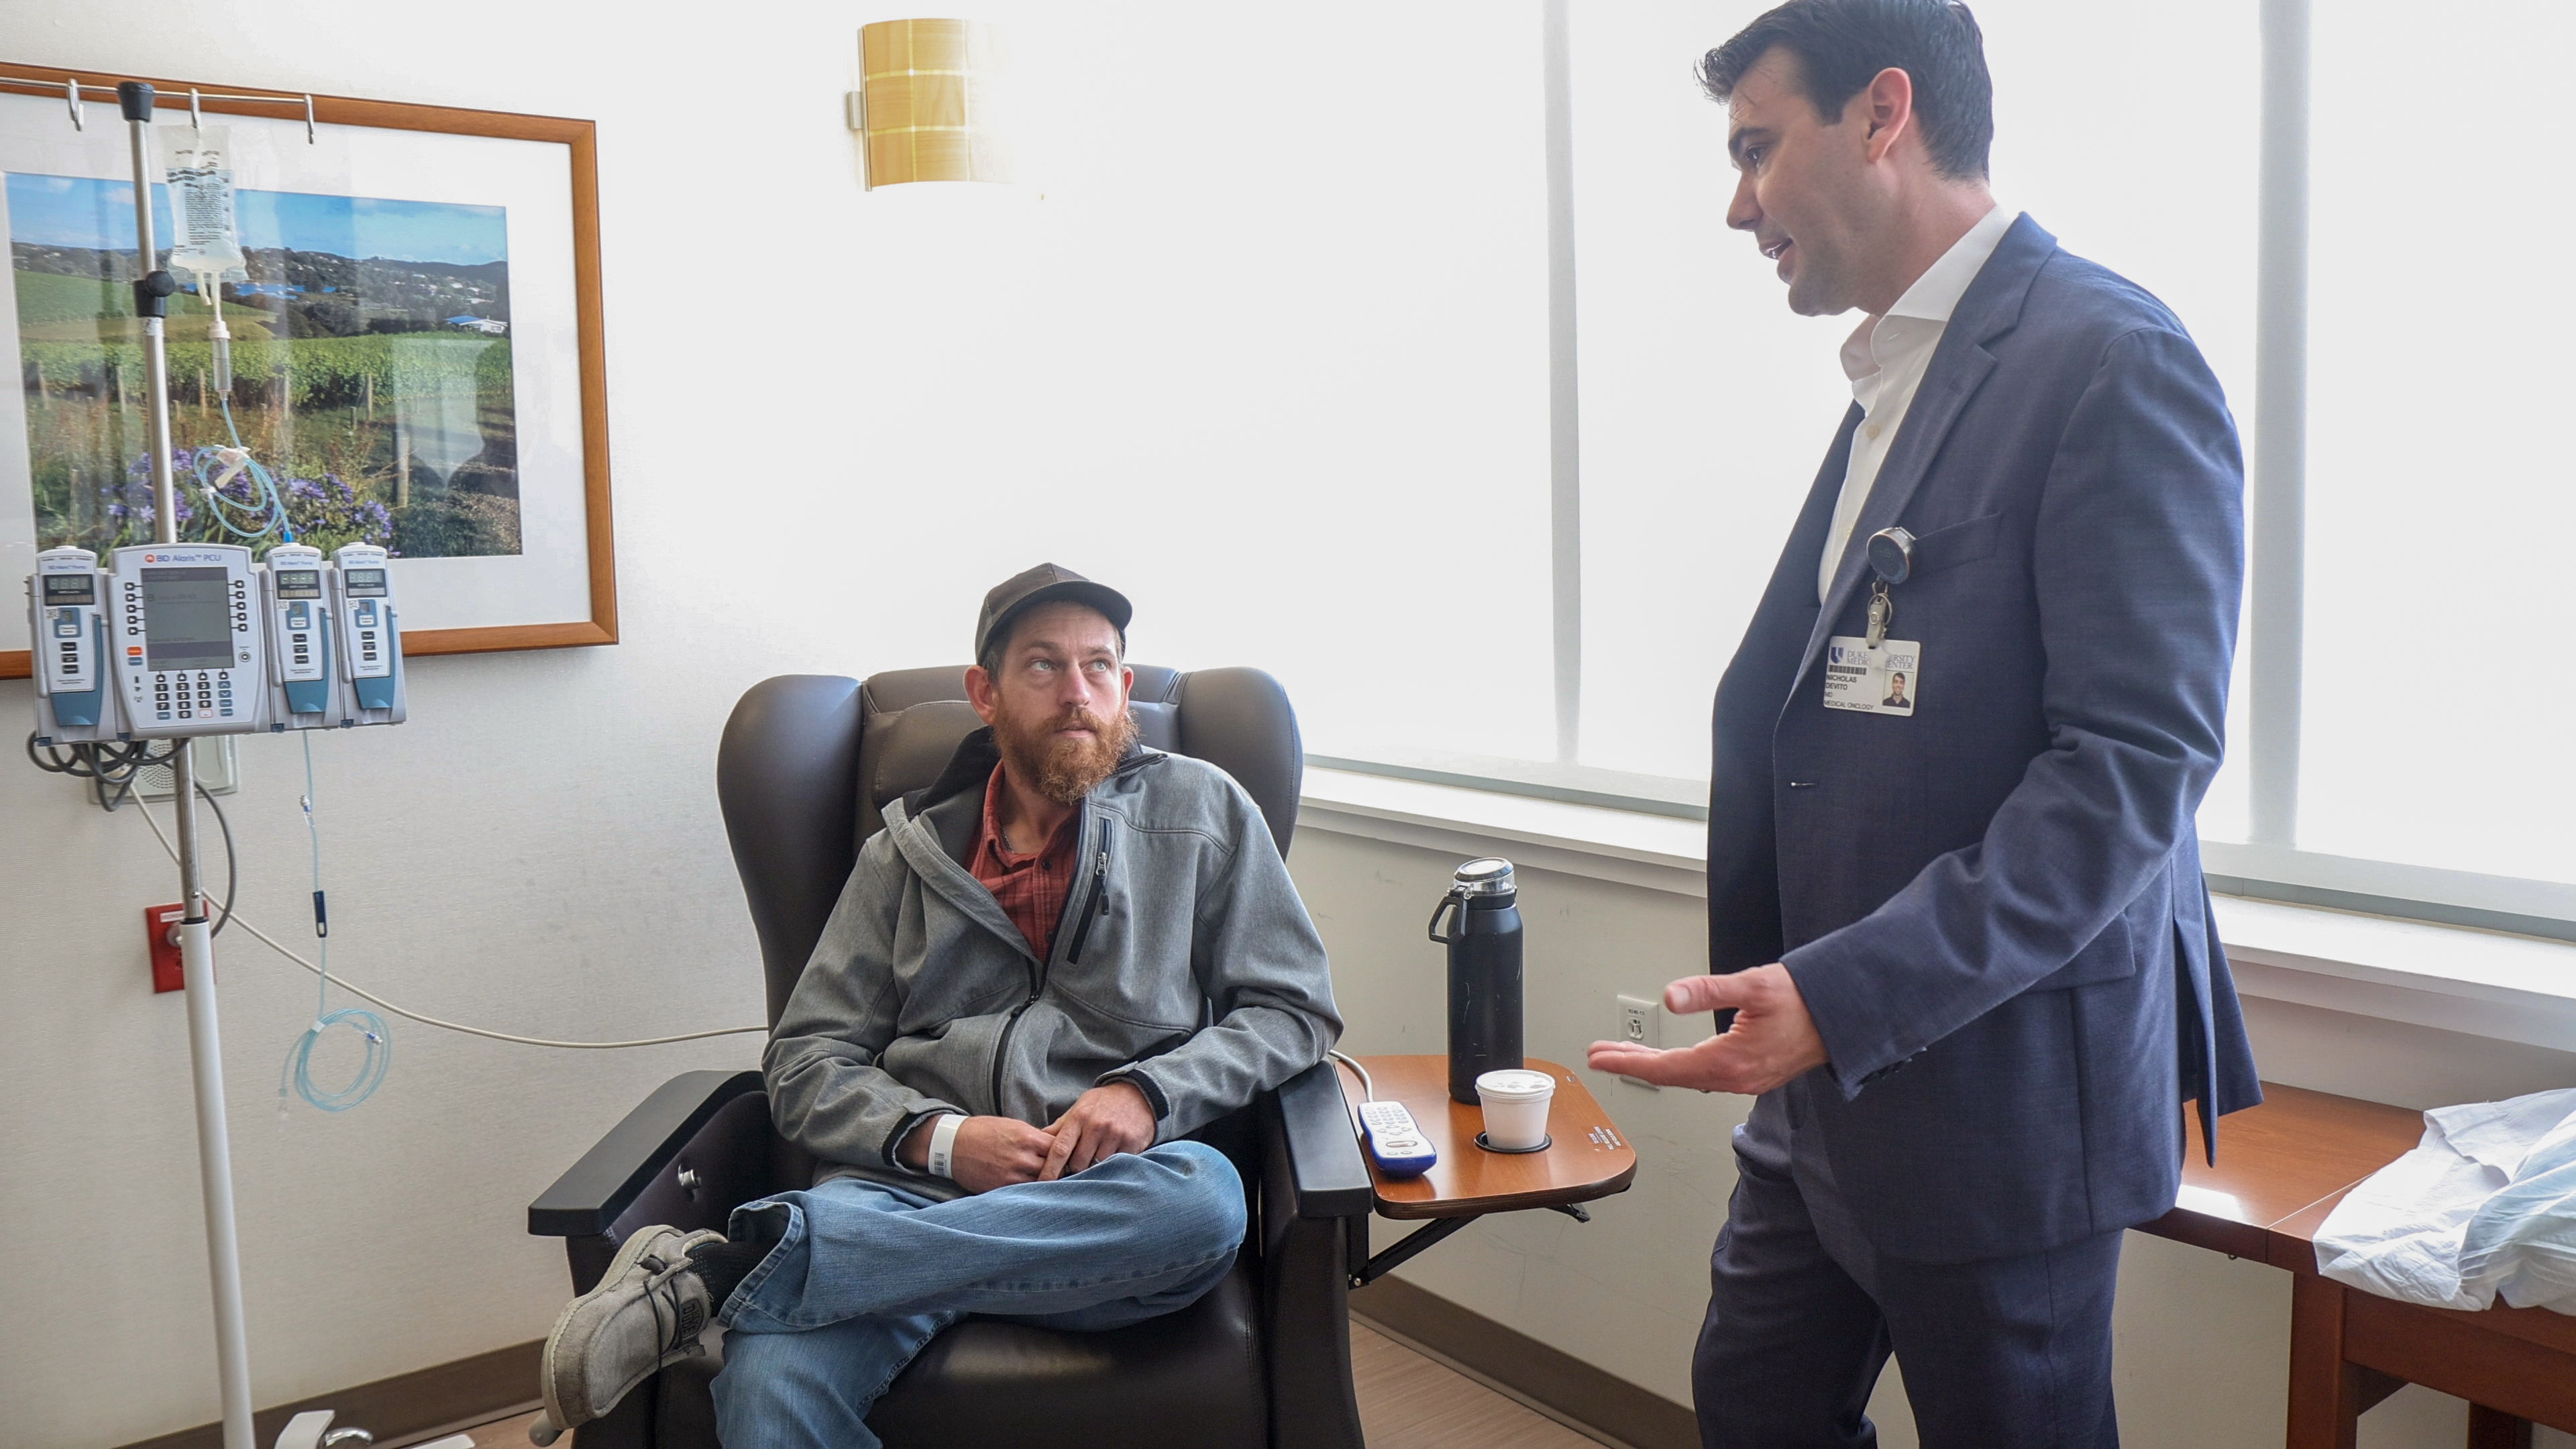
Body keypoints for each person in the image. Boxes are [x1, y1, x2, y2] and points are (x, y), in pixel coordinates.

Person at [1583, 3, 2259, 1445]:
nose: (1736, 203)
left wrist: (1844, 996)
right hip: (1830, 1086)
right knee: (1754, 1400)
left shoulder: (2110, 362)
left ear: (1883, 113)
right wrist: (1814, 1008)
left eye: (1758, 149)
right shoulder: (1901, 375)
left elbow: (2130, 776)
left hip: (1998, 1104)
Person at [531, 564, 1341, 1449]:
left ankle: (744, 1270)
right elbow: (805, 1063)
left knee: (1206, 1202)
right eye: (1043, 666)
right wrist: (944, 1141)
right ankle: (817, 1261)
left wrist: (1147, 1094)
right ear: (983, 693)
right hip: (895, 1195)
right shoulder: (900, 856)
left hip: (1105, 1201)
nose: (1080, 694)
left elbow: (1292, 1012)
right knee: (767, 1388)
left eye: (1102, 666)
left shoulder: (1204, 813)